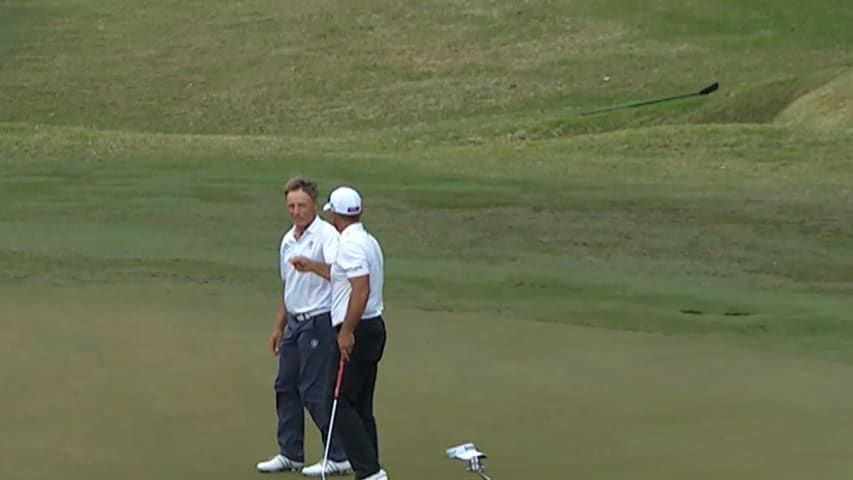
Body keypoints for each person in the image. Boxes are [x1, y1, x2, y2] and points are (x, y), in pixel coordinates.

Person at [290, 185, 389, 480]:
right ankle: (372, 468)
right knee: (359, 405)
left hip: (357, 329)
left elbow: (361, 288)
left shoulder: (350, 243)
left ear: (335, 214)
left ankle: (369, 472)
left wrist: (346, 332)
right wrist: (310, 266)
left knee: (338, 403)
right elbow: (341, 275)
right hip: (372, 327)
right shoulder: (366, 240)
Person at [256, 176, 352, 477]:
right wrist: (278, 327)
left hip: (319, 321)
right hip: (295, 323)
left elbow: (341, 275)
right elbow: (289, 288)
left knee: (313, 390)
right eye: (291, 206)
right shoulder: (288, 239)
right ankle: (290, 453)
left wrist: (311, 265)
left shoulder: (327, 236)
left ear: (314, 204)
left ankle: (338, 455)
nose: (296, 211)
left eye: (302, 205)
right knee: (285, 386)